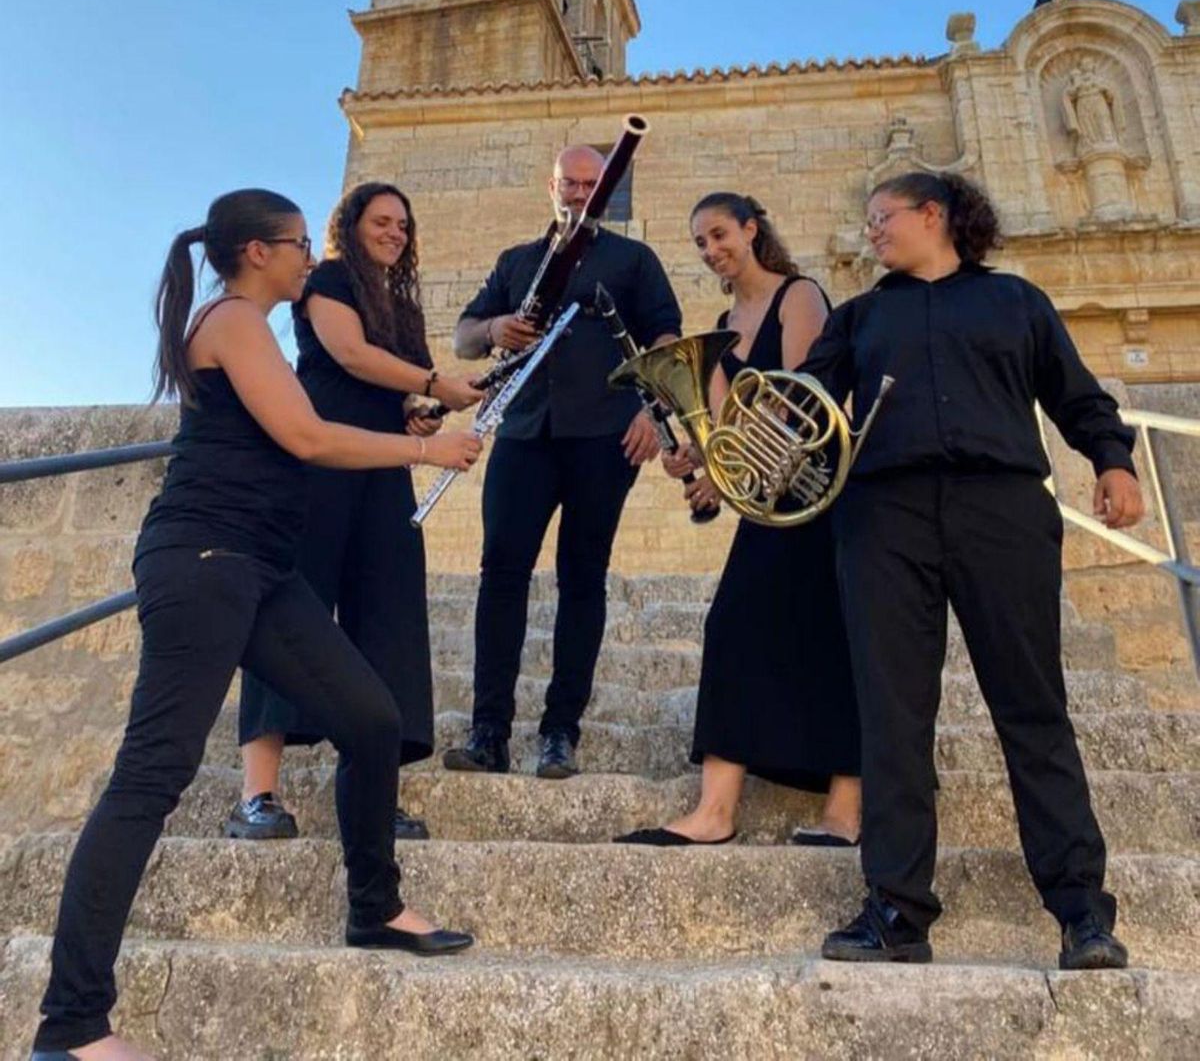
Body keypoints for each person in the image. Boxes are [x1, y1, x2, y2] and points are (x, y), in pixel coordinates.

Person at [31, 190, 480, 1061]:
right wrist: (425, 450)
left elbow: (303, 429)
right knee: (150, 779)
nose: (311, 256)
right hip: (203, 562)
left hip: (262, 570)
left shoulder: (254, 330)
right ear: (255, 251)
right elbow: (309, 438)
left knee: (373, 718)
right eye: (299, 243)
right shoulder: (233, 319)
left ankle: (373, 907)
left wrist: (403, 418)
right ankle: (71, 1025)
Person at [805, 171, 1144, 968]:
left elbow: (1079, 396)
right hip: (884, 515)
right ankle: (896, 909)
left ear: (935, 216)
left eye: (882, 216)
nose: (871, 232)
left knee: (1033, 707)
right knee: (892, 716)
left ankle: (1082, 913)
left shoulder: (1016, 303)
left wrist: (1113, 462)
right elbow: (801, 408)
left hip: (1004, 511)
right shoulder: (858, 317)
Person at [231, 183, 482, 843]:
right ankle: (257, 796)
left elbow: (401, 388)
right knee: (290, 609)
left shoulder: (400, 303)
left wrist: (423, 407)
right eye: (382, 220)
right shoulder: (331, 279)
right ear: (351, 224)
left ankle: (375, 797)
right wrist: (432, 385)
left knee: (389, 622)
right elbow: (347, 355)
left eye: (403, 222)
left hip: (382, 468)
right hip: (313, 462)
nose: (395, 232)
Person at [614, 193, 861, 847]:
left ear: (752, 230)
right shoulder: (724, 324)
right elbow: (729, 426)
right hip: (774, 501)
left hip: (823, 493)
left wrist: (726, 467)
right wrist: (698, 461)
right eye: (699, 242)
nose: (710, 249)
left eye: (719, 234)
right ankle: (715, 811)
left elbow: (803, 396)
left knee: (833, 635)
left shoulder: (799, 296)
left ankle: (846, 810)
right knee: (733, 627)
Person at [442, 145, 682, 778]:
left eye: (589, 184)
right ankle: (488, 730)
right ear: (551, 187)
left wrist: (653, 412)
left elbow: (665, 339)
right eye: (568, 183)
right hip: (524, 431)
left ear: (603, 191)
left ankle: (559, 732)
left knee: (583, 577)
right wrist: (496, 329)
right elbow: (463, 337)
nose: (578, 193)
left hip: (606, 435)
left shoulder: (634, 260)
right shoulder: (518, 261)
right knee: (501, 574)